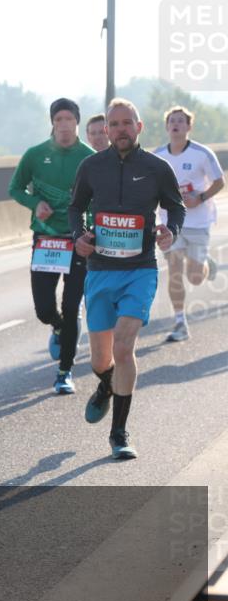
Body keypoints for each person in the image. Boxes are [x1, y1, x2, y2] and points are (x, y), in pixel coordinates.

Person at [69, 98, 185, 460]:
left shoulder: (156, 167)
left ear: (139, 127)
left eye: (126, 123)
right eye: (114, 124)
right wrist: (80, 237)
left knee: (124, 347)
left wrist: (171, 231)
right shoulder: (91, 166)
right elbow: (75, 207)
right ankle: (107, 384)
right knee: (101, 361)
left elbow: (175, 205)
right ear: (106, 130)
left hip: (140, 270)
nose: (120, 129)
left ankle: (119, 434)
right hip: (101, 271)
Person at [8, 97, 94, 394]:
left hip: (77, 241)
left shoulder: (89, 157)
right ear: (52, 123)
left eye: (69, 119)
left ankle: (64, 371)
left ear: (77, 122)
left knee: (71, 306)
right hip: (45, 240)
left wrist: (90, 231)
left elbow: (99, 199)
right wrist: (35, 203)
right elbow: (15, 188)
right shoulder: (35, 155)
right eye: (59, 120)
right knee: (44, 309)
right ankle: (57, 326)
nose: (64, 125)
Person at [153, 105, 225, 342]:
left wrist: (200, 198)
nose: (176, 124)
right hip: (170, 222)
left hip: (198, 221)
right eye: (172, 121)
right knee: (174, 270)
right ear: (166, 126)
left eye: (181, 121)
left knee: (194, 277)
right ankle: (180, 322)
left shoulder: (202, 153)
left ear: (189, 126)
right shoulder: (158, 156)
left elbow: (219, 181)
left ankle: (206, 264)